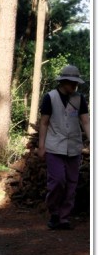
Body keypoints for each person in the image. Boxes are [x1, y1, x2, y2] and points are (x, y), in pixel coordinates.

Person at [38, 64, 90, 231]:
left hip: (74, 146)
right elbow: (44, 123)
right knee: (57, 181)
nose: (74, 86)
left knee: (72, 183)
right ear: (63, 81)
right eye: (71, 83)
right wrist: (41, 146)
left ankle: (64, 218)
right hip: (54, 146)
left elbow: (86, 121)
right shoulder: (50, 97)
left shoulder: (79, 99)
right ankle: (54, 212)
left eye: (76, 83)